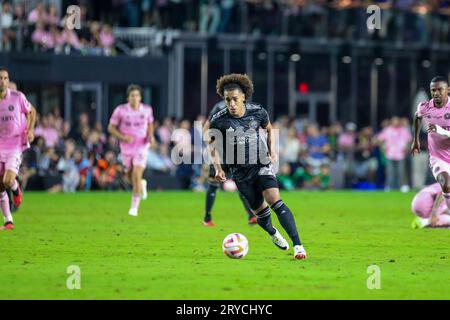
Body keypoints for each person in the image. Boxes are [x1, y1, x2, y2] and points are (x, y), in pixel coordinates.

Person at [208, 73, 307, 260]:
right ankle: (272, 232)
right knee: (260, 213)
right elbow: (212, 145)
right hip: (239, 173)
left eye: (235, 99)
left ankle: (298, 246)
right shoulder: (218, 120)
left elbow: (269, 129)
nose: (231, 104)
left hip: (261, 164)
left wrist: (272, 150)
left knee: (274, 200)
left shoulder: (258, 111)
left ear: (243, 97)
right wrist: (219, 168)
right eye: (227, 100)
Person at [202, 100, 256, 227]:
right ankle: (207, 217)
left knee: (242, 184)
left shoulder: (244, 108)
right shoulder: (219, 108)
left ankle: (252, 216)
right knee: (214, 183)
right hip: (220, 153)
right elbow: (207, 130)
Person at [108, 84, 155, 216]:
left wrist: (150, 135)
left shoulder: (146, 110)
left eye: (137, 95)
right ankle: (141, 184)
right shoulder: (121, 110)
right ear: (128, 98)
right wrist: (122, 137)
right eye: (132, 96)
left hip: (141, 146)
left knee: (136, 173)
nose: (135, 98)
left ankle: (134, 207)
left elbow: (150, 124)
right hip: (126, 148)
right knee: (129, 177)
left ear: (140, 97)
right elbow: (111, 128)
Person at [0, 67, 36, 230]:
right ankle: (8, 221)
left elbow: (31, 111)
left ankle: (15, 188)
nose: (3, 81)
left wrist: (30, 129)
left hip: (15, 144)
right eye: (0, 78)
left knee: (7, 180)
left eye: (5, 78)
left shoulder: (17, 97)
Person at [411, 76, 450, 214]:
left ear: (448, 90)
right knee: (445, 182)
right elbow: (417, 116)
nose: (436, 93)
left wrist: (439, 130)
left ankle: (442, 211)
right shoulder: (425, 107)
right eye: (433, 90)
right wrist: (415, 140)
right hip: (438, 157)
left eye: (440, 89)